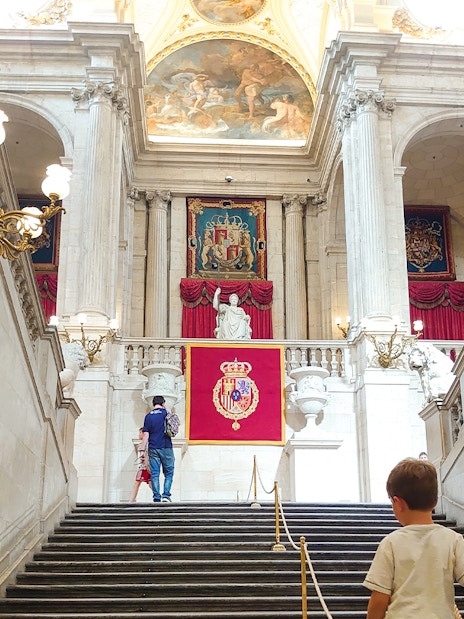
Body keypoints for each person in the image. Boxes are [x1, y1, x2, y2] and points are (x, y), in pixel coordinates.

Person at [363, 457, 464, 618]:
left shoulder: (390, 543)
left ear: (397, 503)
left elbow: (379, 599)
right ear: (435, 501)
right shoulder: (454, 540)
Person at [139, 395, 175, 503]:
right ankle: (166, 495)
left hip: (153, 447)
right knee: (168, 472)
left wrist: (142, 448)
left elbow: (146, 434)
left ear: (153, 404)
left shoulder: (148, 416)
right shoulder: (166, 413)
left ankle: (156, 496)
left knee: (155, 473)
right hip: (166, 446)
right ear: (163, 403)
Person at [129, 428, 152, 502]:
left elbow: (146, 455)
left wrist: (146, 464)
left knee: (137, 483)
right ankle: (158, 497)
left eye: (140, 433)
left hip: (144, 467)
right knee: (150, 483)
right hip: (147, 466)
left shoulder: (145, 443)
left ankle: (131, 500)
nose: (139, 434)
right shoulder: (146, 443)